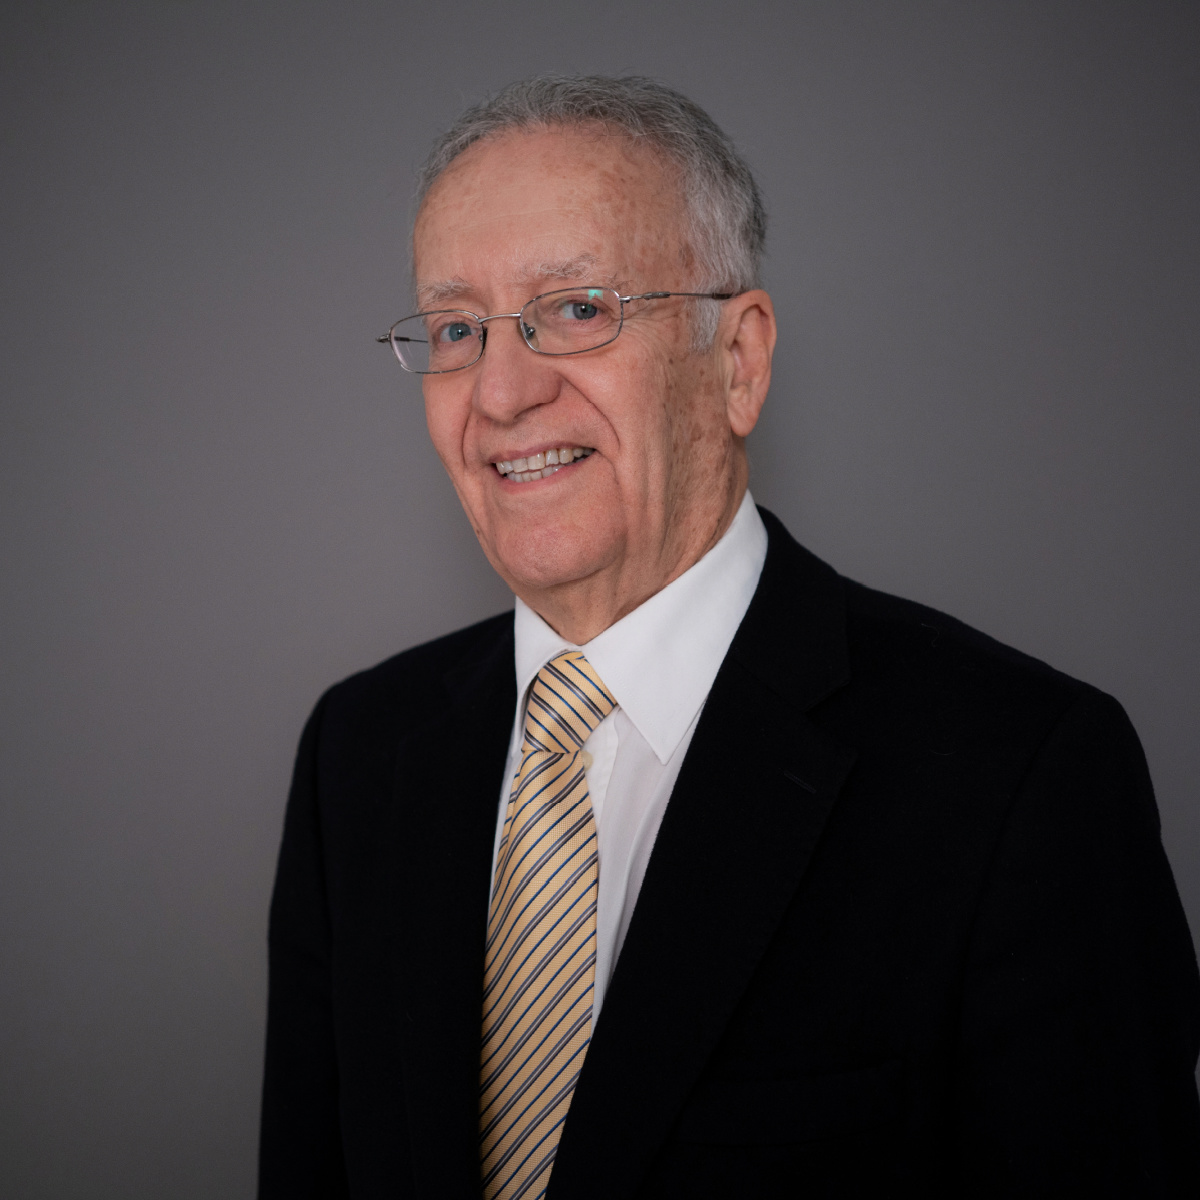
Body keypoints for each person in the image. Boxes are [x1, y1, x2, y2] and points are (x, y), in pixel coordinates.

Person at [258, 75, 1200, 1199]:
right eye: (458, 328)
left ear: (737, 360)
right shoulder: (359, 753)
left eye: (577, 309)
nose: (501, 393)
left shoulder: (1018, 777)